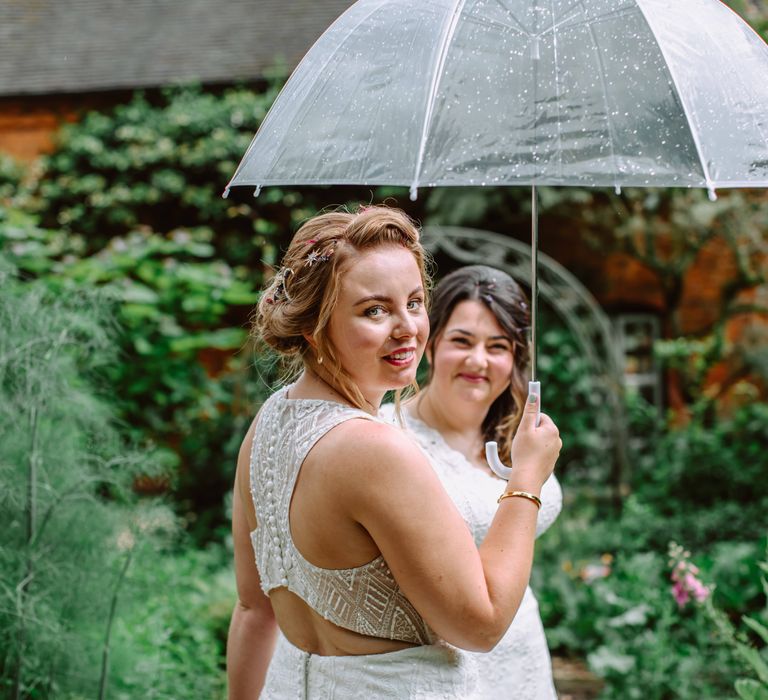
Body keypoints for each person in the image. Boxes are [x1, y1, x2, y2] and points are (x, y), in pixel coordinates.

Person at [227, 206, 561, 699]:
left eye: (414, 302)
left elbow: (254, 611)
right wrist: (526, 479)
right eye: (374, 310)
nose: (407, 328)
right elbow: (482, 625)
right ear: (314, 326)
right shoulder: (375, 449)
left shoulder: (269, 423)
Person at [381, 265, 562, 698]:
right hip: (441, 663)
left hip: (521, 660)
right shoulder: (388, 442)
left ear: (515, 358)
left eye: (497, 347)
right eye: (462, 341)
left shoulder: (523, 440)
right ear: (431, 344)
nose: (478, 361)